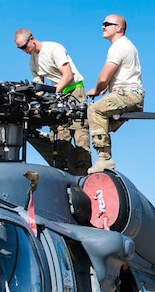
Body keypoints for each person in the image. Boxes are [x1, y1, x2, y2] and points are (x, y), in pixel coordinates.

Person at [13, 28, 90, 175]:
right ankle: (64, 173)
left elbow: (67, 75)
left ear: (31, 39)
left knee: (80, 136)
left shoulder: (54, 48)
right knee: (60, 138)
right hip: (58, 96)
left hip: (74, 92)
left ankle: (84, 174)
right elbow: (40, 88)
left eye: (24, 46)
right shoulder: (32, 62)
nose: (24, 50)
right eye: (20, 49)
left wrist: (55, 93)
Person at [87, 14, 143, 173]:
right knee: (95, 123)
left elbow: (103, 76)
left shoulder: (118, 46)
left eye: (107, 24)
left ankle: (104, 159)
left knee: (94, 110)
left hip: (128, 95)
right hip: (128, 94)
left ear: (119, 28)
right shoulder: (127, 45)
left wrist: (97, 90)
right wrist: (107, 86)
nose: (102, 27)